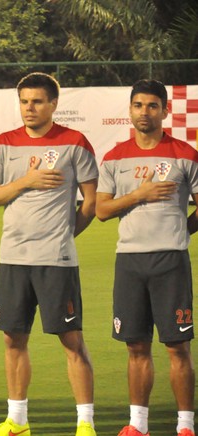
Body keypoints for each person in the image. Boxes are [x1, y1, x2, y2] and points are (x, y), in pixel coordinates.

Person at [0, 72, 98, 436]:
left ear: (53, 104)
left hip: (56, 260)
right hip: (13, 258)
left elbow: (90, 202)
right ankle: (17, 420)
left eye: (38, 101)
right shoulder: (3, 143)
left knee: (71, 340)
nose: (30, 108)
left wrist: (63, 234)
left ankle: (85, 424)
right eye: (24, 101)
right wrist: (26, 181)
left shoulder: (75, 142)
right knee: (13, 339)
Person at [96, 79, 196, 436]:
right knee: (136, 345)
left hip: (170, 261)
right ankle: (137, 425)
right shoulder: (115, 156)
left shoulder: (185, 154)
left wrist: (183, 230)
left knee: (177, 345)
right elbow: (102, 209)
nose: (144, 112)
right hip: (130, 262)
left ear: (165, 111)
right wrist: (140, 194)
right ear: (130, 110)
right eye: (138, 105)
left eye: (152, 106)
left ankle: (185, 426)